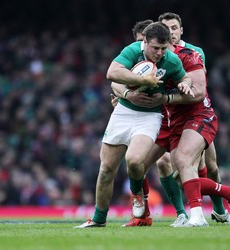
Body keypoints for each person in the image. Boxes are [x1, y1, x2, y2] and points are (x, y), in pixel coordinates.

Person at [74, 22, 193, 228]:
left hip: (149, 117)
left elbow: (186, 77)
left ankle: (137, 194)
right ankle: (99, 219)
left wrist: (185, 84)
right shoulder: (131, 51)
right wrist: (140, 82)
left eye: (163, 49)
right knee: (106, 169)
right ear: (145, 42)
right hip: (123, 113)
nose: (159, 53)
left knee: (134, 160)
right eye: (155, 48)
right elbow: (112, 73)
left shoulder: (171, 60)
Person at [158, 12, 230, 224]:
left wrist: (182, 84)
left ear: (181, 30)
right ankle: (186, 214)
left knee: (210, 167)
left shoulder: (194, 52)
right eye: (166, 28)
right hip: (172, 117)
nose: (170, 32)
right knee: (181, 170)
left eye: (174, 28)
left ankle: (219, 210)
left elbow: (196, 84)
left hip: (197, 114)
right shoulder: (155, 54)